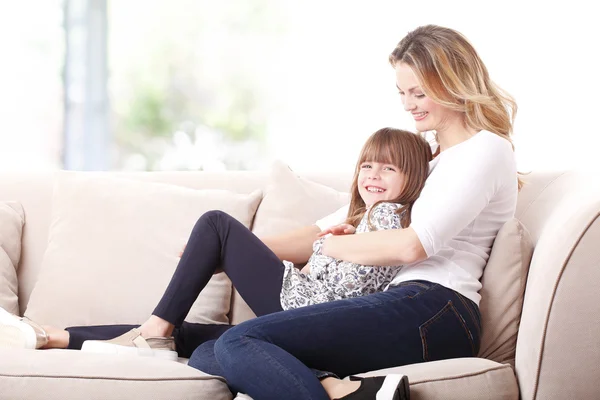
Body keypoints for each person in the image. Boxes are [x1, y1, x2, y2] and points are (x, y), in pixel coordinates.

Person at [0, 24, 519, 400]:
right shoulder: (422, 162)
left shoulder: (486, 150)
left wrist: (330, 246)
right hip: (396, 306)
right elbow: (323, 228)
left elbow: (412, 245)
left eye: (418, 91)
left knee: (241, 338)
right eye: (402, 92)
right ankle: (345, 393)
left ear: (451, 78)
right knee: (210, 351)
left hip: (436, 309)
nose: (408, 104)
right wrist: (232, 254)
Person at [281, 127, 432, 310]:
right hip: (300, 298)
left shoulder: (386, 213)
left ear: (413, 178)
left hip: (301, 301)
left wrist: (326, 251)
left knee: (234, 234)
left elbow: (357, 283)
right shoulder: (373, 217)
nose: (373, 175)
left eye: (388, 168)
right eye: (367, 166)